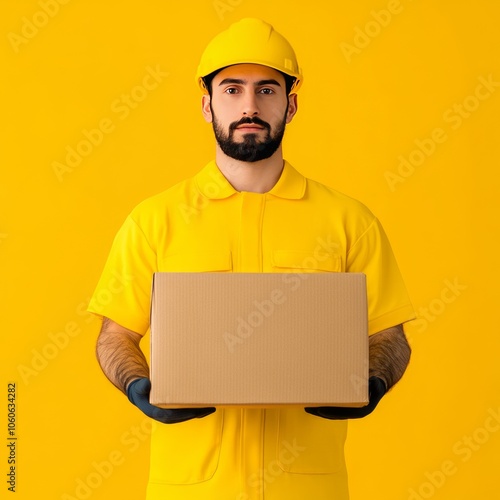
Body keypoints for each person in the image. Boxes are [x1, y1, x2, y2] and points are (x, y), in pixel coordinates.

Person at [88, 18, 416, 500]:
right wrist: (140, 386)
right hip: (190, 489)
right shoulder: (154, 220)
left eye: (267, 89)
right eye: (232, 89)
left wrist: (373, 381)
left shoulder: (348, 220)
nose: (249, 106)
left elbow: (390, 333)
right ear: (207, 105)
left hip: (308, 488)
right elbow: (114, 334)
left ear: (292, 103)